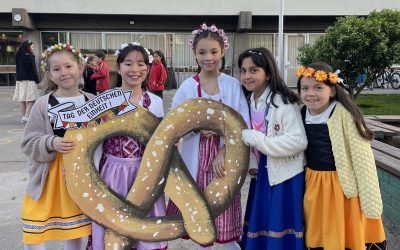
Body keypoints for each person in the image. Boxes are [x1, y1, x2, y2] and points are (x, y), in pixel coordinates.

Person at [166, 23, 250, 250]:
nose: (208, 57)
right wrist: (195, 128)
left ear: (223, 51)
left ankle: (231, 243)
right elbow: (173, 124)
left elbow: (242, 123)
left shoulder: (233, 86)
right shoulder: (187, 87)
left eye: (214, 51)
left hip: (225, 158)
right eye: (202, 52)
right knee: (197, 208)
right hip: (194, 155)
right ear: (194, 53)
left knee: (224, 206)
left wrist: (223, 149)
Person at [296, 62, 386, 249]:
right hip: (314, 183)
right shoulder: (301, 113)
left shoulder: (344, 115)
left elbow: (362, 158)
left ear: (333, 91)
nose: (310, 93)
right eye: (305, 88)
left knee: (345, 227)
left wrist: (370, 199)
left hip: (342, 186)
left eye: (318, 87)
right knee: (319, 227)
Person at [89, 43, 167, 250]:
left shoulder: (155, 102)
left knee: (145, 230)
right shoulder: (104, 100)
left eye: (141, 64)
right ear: (118, 67)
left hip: (145, 174)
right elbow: (94, 142)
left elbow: (159, 141)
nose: (135, 70)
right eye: (128, 64)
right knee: (114, 229)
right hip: (112, 174)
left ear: (147, 68)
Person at [21, 43, 93, 249]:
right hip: (47, 178)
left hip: (78, 177)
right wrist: (51, 142)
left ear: (80, 67)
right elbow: (28, 142)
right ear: (50, 75)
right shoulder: (42, 104)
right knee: (35, 228)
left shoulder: (93, 101)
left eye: (68, 66)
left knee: (76, 232)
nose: (64, 73)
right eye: (56, 69)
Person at [238, 48, 307, 249]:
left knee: (279, 227)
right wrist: (252, 163)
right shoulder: (250, 100)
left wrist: (259, 140)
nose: (247, 76)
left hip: (284, 176)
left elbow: (298, 141)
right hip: (262, 172)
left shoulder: (282, 102)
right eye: (243, 71)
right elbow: (247, 139)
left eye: (253, 70)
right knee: (263, 223)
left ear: (268, 73)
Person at [13, 40, 40, 122]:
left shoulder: (18, 55)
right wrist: (37, 79)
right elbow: (33, 69)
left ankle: (23, 116)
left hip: (20, 80)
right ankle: (27, 116)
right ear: (28, 47)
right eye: (32, 46)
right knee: (30, 98)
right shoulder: (30, 56)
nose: (33, 48)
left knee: (22, 99)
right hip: (29, 80)